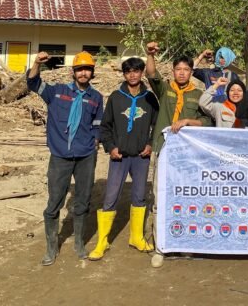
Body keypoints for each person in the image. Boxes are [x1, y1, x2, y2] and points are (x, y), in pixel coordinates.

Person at [27, 50, 104, 266]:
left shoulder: (96, 98)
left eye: (87, 69)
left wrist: (95, 142)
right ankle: (52, 247)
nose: (83, 73)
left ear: (92, 73)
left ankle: (79, 243)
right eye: (80, 69)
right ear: (73, 72)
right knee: (54, 202)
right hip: (60, 155)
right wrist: (36, 64)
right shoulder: (57, 92)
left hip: (86, 156)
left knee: (83, 200)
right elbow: (33, 83)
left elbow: (98, 124)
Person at [144, 42, 212, 268]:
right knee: (160, 198)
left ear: (192, 72)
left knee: (185, 198)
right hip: (162, 150)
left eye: (186, 69)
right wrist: (150, 54)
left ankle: (183, 242)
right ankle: (160, 246)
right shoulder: (165, 89)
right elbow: (151, 73)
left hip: (186, 156)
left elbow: (207, 121)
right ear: (173, 71)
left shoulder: (199, 94)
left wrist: (187, 121)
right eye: (178, 69)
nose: (182, 72)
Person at [89, 57, 159, 261]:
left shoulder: (150, 98)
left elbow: (157, 124)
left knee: (139, 196)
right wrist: (110, 147)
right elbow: (105, 126)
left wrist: (150, 144)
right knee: (111, 196)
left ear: (142, 73)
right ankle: (102, 241)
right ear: (124, 74)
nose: (133, 75)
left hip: (140, 157)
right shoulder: (116, 97)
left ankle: (136, 237)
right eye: (128, 71)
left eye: (137, 71)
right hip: (119, 157)